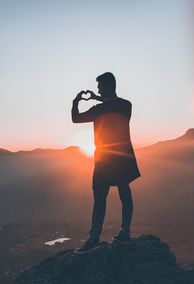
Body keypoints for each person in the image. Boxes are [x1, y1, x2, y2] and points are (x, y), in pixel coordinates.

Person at [71, 72, 141, 253]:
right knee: (124, 193)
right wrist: (99, 99)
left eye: (100, 87)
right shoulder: (126, 105)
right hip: (123, 157)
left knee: (100, 199)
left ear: (109, 87)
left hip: (104, 159)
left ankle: (94, 239)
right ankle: (124, 233)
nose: (98, 90)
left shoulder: (100, 109)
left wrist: (76, 101)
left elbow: (75, 118)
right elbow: (114, 106)